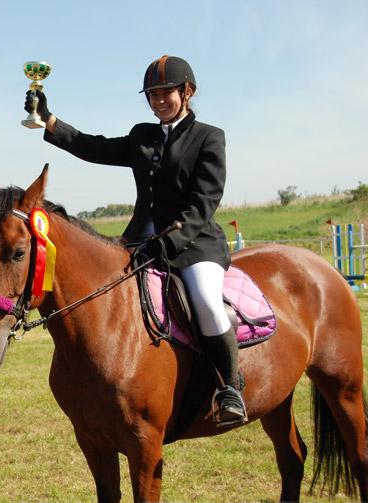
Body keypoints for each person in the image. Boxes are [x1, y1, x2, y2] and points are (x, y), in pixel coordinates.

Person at [25, 55, 246, 425]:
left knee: (207, 301)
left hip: (194, 244)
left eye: (165, 93)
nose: (158, 101)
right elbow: (93, 147)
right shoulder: (143, 135)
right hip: (140, 243)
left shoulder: (209, 137)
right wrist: (49, 120)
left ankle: (230, 387)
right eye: (152, 95)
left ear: (187, 92)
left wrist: (172, 241)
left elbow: (204, 202)